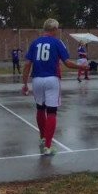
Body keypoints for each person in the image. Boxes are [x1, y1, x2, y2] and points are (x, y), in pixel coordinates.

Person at [21, 18, 88, 156]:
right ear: (54, 29)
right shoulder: (57, 42)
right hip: (52, 79)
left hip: (37, 79)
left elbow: (27, 64)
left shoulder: (34, 42)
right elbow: (67, 63)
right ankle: (48, 146)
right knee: (51, 112)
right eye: (57, 29)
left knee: (40, 108)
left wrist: (24, 83)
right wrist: (82, 66)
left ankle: (42, 138)